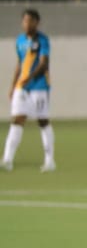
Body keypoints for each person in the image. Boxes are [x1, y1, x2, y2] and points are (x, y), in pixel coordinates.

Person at [3, 9, 55, 172]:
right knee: (17, 119)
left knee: (42, 121)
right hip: (22, 86)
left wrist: (30, 78)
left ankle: (49, 161)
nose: (27, 24)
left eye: (30, 21)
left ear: (37, 22)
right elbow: (19, 63)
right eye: (24, 21)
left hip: (39, 86)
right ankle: (7, 160)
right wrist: (13, 85)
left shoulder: (42, 40)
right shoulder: (19, 40)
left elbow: (44, 63)